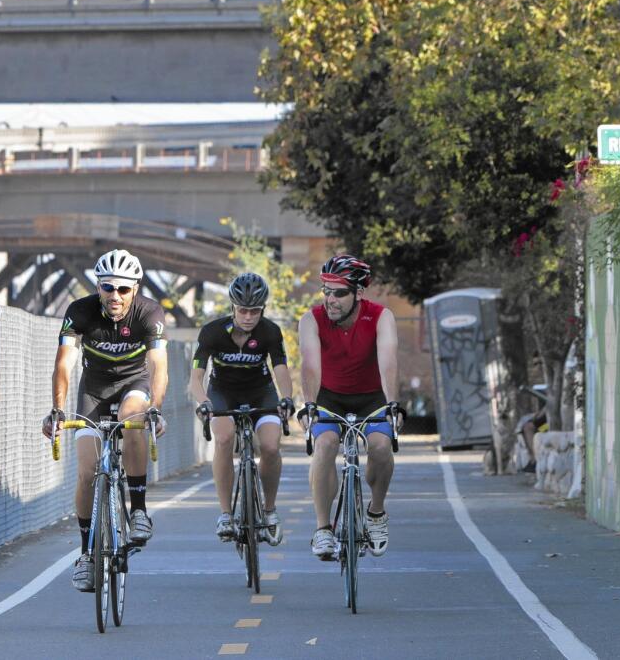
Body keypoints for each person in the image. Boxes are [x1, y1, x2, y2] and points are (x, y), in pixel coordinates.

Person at [42, 249, 169, 592]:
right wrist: (57, 408)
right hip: (94, 391)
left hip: (135, 384)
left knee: (132, 418)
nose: (115, 296)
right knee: (86, 471)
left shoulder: (149, 313)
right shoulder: (79, 311)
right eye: (108, 287)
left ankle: (139, 509)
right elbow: (64, 364)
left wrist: (155, 406)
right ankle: (86, 554)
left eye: (124, 289)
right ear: (98, 287)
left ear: (135, 288)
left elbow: (158, 366)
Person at [298, 254, 399, 560]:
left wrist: (393, 404)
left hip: (372, 396)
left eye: (339, 292)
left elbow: (389, 362)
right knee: (325, 444)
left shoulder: (381, 317)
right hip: (330, 397)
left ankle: (377, 512)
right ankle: (323, 528)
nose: (330, 299)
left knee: (381, 448)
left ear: (359, 293)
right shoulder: (311, 319)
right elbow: (310, 365)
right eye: (326, 291)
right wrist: (310, 406)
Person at [189, 273, 294, 545]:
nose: (248, 316)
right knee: (224, 439)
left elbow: (280, 369)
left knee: (270, 446)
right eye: (243, 310)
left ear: (263, 309)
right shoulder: (211, 332)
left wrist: (287, 397)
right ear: (232, 307)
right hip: (223, 393)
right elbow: (196, 378)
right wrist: (204, 403)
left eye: (255, 311)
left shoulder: (270, 331)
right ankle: (225, 513)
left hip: (261, 392)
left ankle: (269, 511)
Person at [517, 406, 549, 473]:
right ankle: (533, 459)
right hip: (543, 424)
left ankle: (535, 460)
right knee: (527, 427)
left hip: (549, 425)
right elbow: (539, 418)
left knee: (529, 428)